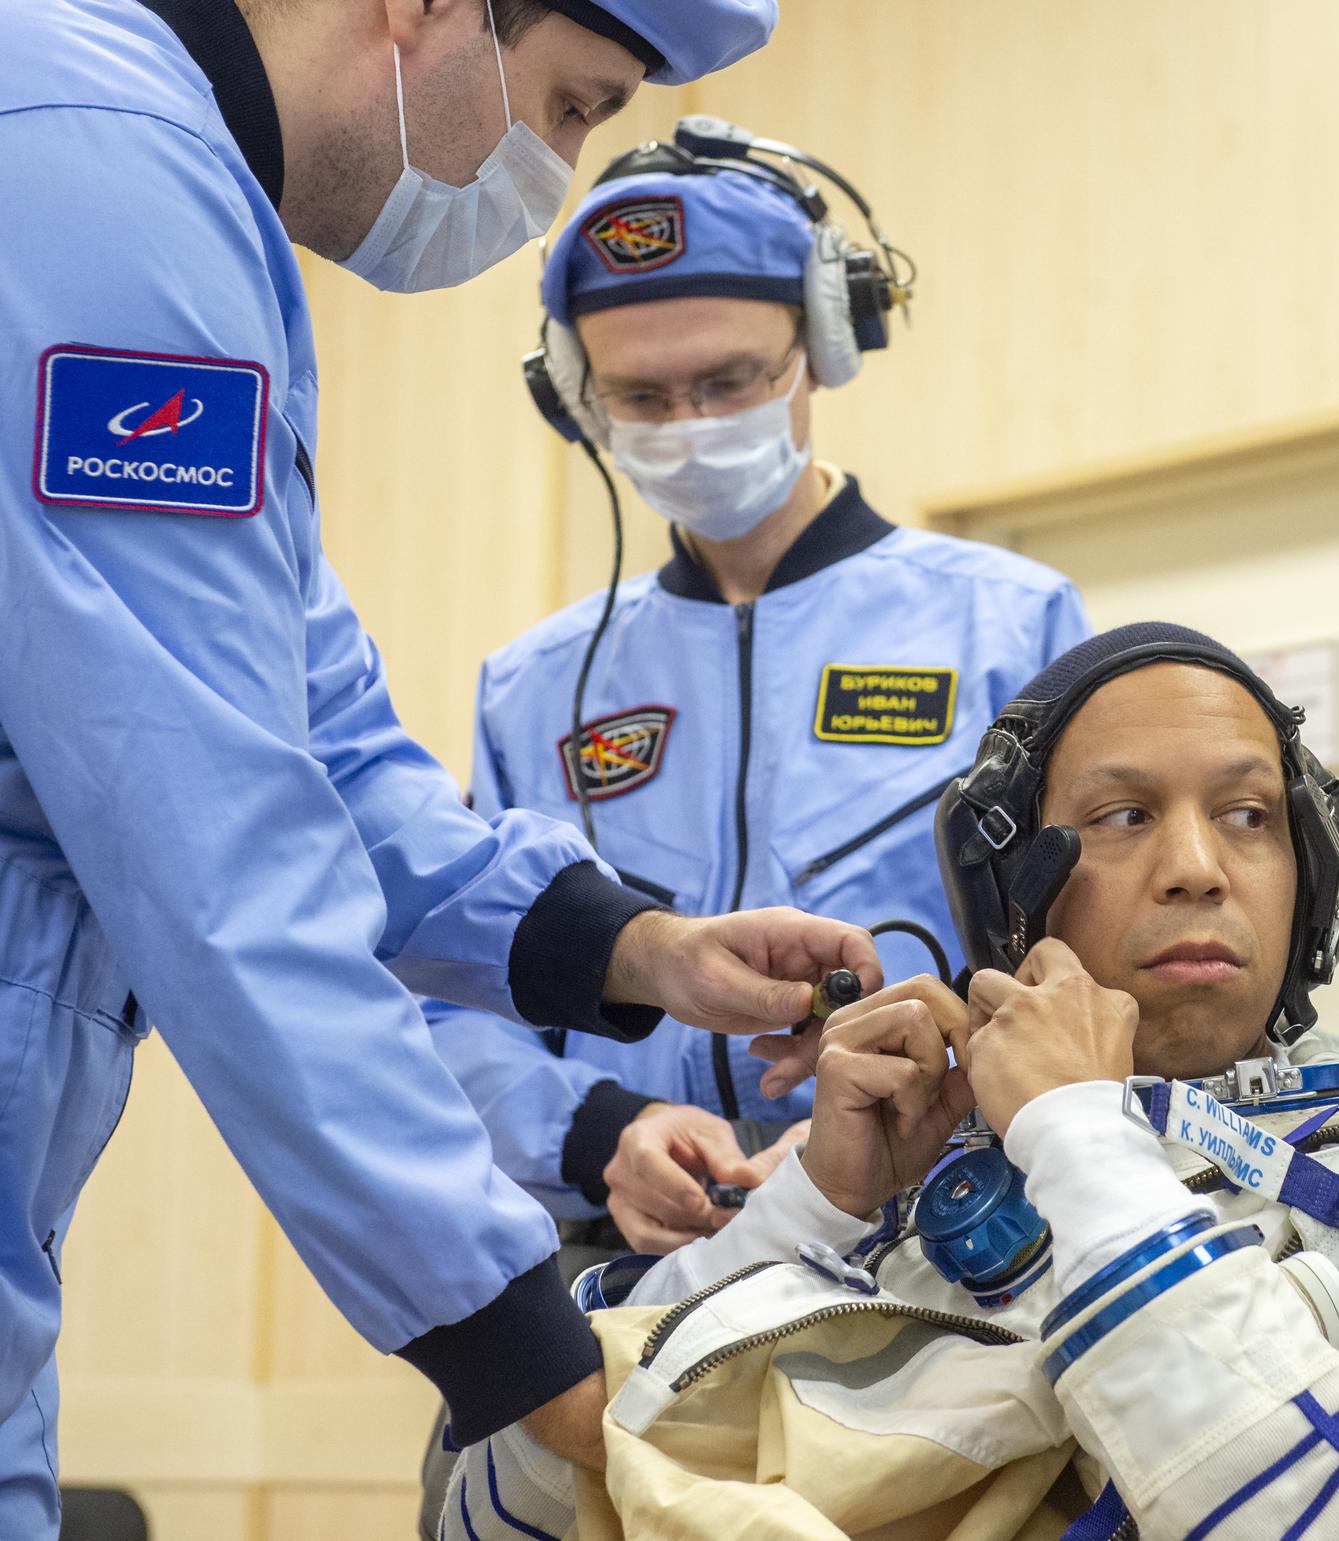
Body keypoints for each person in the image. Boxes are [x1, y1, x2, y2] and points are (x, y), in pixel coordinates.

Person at [0, 2, 890, 1534]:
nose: (555, 169)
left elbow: (319, 739)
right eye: (571, 103)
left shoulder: (181, 213)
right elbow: (218, 847)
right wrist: (536, 1359)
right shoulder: (98, 178)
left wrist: (635, 946)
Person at [451, 623, 1339, 1540]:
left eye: (1251, 815)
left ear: (1310, 873)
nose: (1199, 865)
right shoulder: (904, 1205)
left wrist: (1082, 1141)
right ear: (1015, 898)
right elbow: (510, 1506)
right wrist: (810, 1216)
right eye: (1121, 817)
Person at [423, 133, 1090, 1256]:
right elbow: (452, 989)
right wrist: (600, 1130)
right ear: (577, 397)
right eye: (642, 394)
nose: (690, 425)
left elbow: (1081, 966)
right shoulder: (529, 688)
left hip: (936, 1234)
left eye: (731, 380)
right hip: (628, 1255)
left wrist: (914, 1108)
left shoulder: (1010, 624)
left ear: (824, 344)